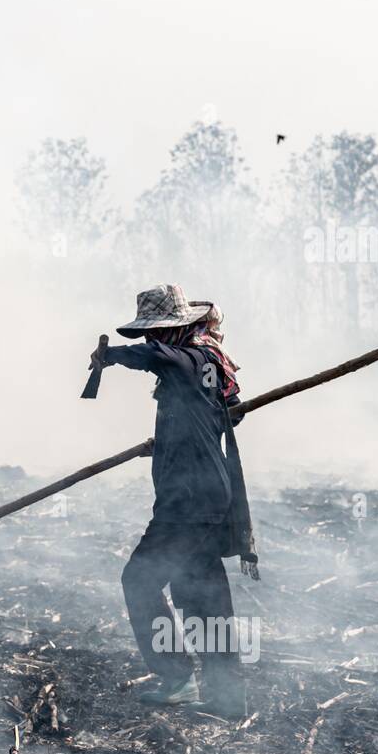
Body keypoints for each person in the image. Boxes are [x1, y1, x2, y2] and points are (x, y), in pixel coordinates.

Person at [89, 283, 257, 717]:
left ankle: (176, 678)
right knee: (201, 594)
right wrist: (172, 435)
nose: (150, 340)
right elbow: (222, 412)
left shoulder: (185, 357)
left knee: (139, 579)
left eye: (156, 332)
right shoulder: (210, 361)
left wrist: (108, 357)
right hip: (206, 492)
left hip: (188, 500)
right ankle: (226, 698)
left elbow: (153, 358)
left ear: (173, 331)